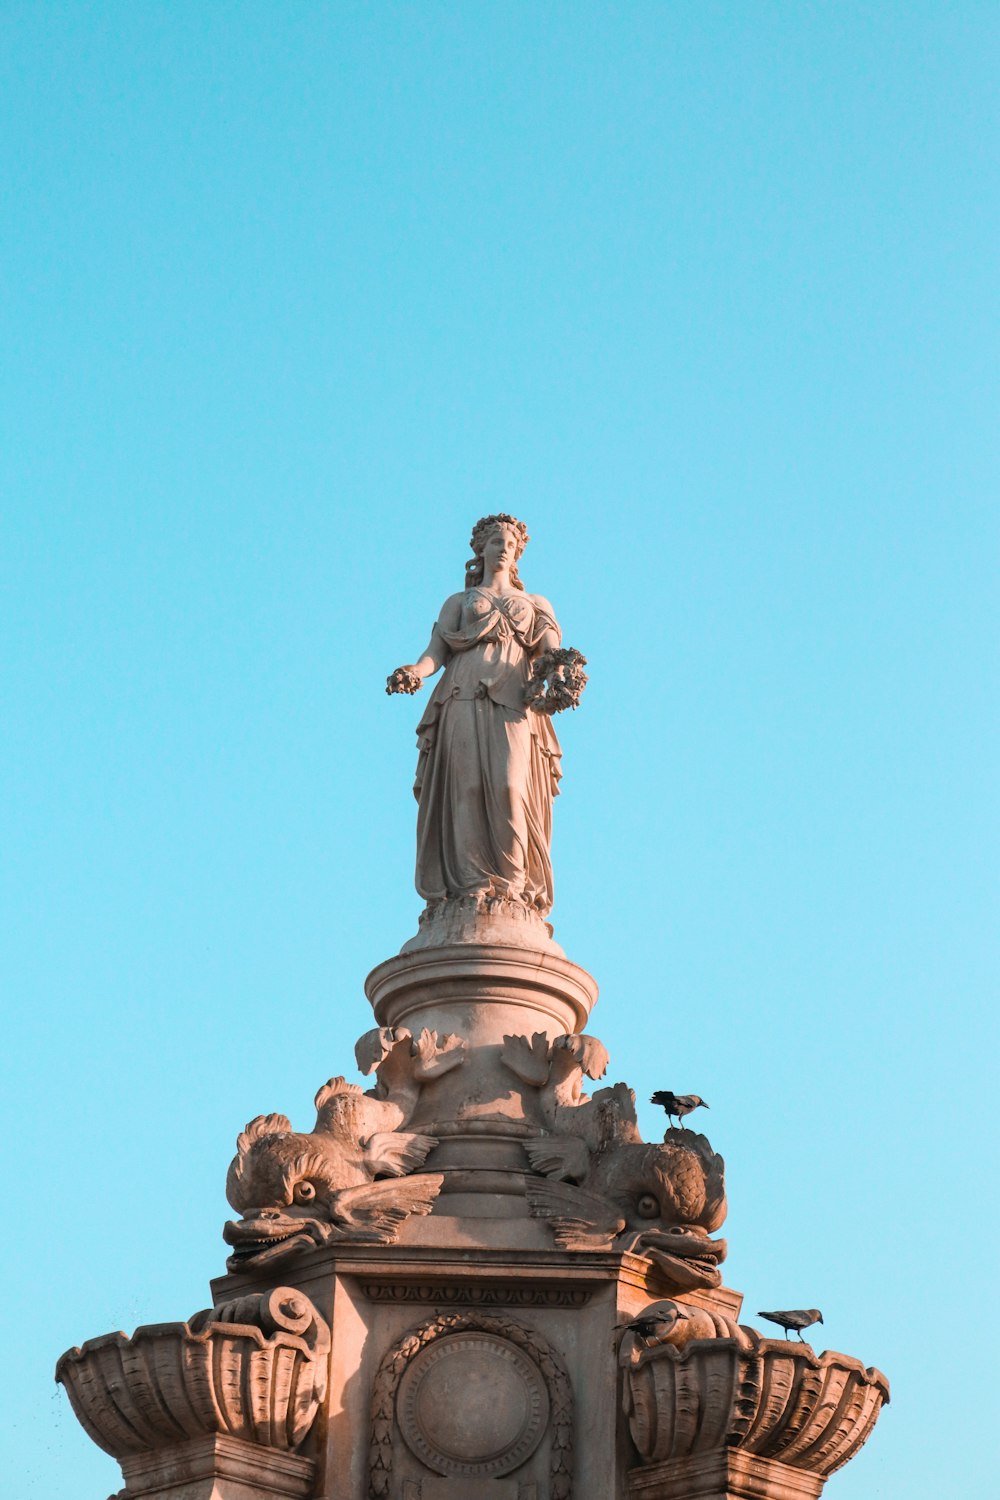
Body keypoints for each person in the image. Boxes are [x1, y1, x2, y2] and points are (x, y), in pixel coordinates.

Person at [387, 514, 564, 916]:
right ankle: (469, 889)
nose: (504, 549)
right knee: (464, 789)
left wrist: (561, 672)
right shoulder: (458, 602)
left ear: (518, 555)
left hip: (515, 702)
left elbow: (551, 653)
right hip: (461, 694)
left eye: (511, 545)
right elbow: (436, 652)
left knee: (509, 787)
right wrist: (414, 672)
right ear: (480, 550)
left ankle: (513, 889)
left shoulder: (536, 604)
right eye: (496, 542)